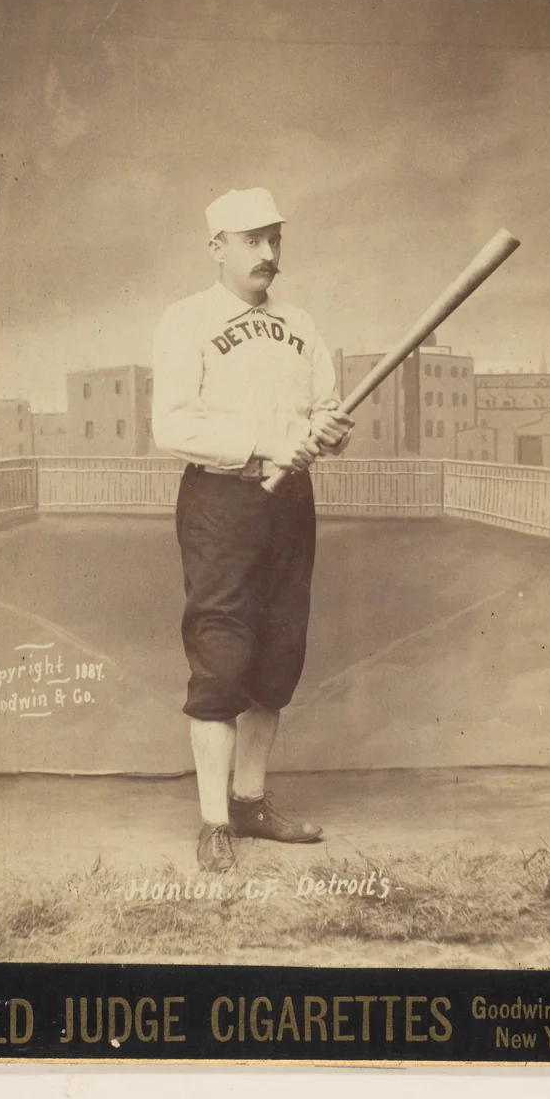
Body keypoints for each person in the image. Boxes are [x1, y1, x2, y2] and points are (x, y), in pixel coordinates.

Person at [152, 187, 354, 873]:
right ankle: (214, 823)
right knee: (222, 653)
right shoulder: (186, 320)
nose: (268, 252)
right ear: (217, 247)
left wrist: (330, 430)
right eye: (251, 240)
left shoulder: (301, 322)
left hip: (290, 502)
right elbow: (172, 425)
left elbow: (327, 413)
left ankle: (250, 803)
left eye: (274, 238)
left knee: (279, 649)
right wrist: (267, 443)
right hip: (222, 499)